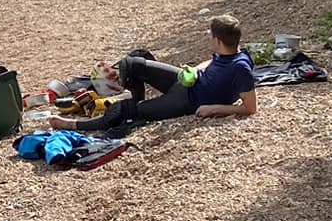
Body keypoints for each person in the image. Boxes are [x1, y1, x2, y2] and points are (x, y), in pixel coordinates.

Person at [49, 14, 258, 132]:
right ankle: (135, 100)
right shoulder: (229, 52)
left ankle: (75, 124)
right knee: (133, 63)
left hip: (189, 101)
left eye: (211, 36)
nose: (209, 39)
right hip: (188, 81)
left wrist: (213, 109)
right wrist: (194, 69)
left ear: (218, 41)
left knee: (124, 112)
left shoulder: (240, 68)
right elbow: (212, 61)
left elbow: (250, 108)